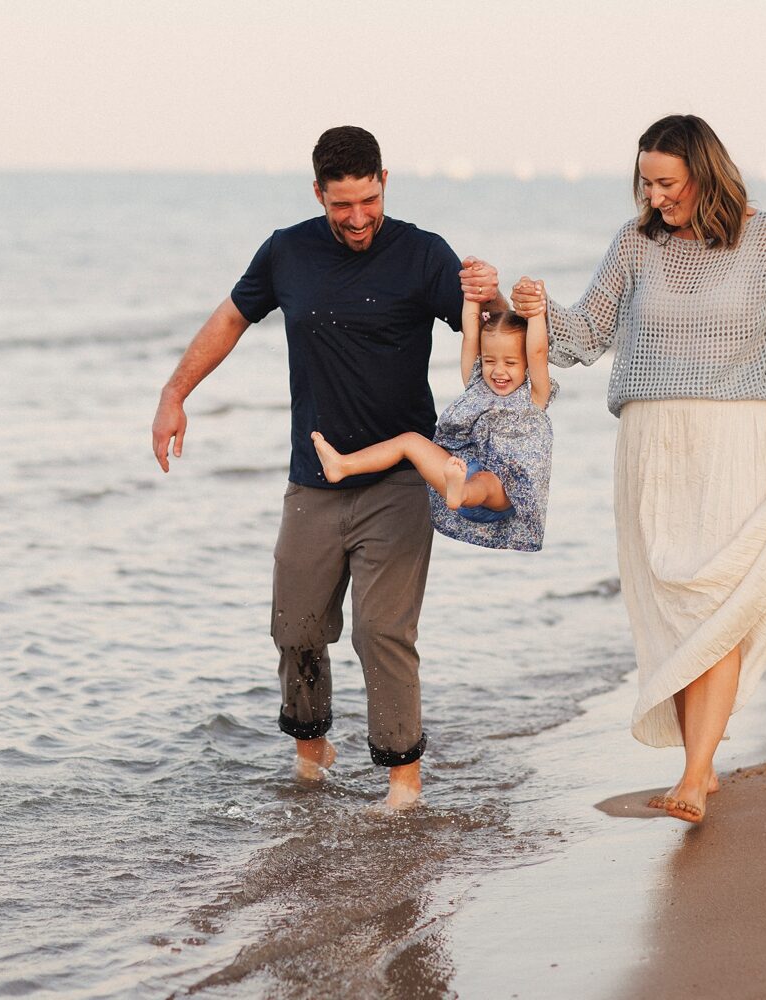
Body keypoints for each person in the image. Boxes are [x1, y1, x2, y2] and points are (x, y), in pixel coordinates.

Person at [150, 125, 505, 809]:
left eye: (369, 200)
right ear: (318, 193)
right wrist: (174, 393)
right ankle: (311, 759)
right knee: (297, 628)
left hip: (401, 476)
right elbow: (230, 320)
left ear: (385, 183)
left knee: (381, 631)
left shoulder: (423, 254)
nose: (358, 217)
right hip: (313, 479)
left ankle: (403, 786)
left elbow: (492, 339)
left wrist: (490, 297)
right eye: (342, 205)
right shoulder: (287, 252)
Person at [511, 114, 766, 824]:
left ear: (705, 174)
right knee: (673, 606)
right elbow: (587, 335)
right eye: (646, 183)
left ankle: (694, 775)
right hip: (652, 444)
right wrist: (538, 311)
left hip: (739, 439)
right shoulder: (635, 244)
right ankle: (701, 757)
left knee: (717, 597)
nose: (654, 196)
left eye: (667, 183)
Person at [311, 296, 557, 552]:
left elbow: (538, 351)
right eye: (489, 361)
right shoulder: (476, 383)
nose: (498, 371)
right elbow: (469, 336)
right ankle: (342, 465)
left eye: (510, 363)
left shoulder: (534, 396)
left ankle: (460, 492)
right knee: (410, 441)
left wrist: (536, 312)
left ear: (526, 364)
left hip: (502, 492)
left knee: (485, 480)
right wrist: (471, 297)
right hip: (459, 473)